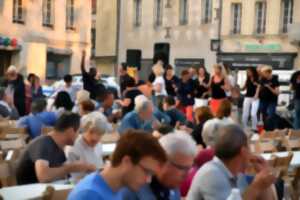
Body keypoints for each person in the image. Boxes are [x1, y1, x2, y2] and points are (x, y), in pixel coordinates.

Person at [68, 130, 167, 200]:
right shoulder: (90, 195)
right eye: (147, 172)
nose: (148, 180)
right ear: (127, 161)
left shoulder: (115, 189)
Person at [187, 124, 277, 200]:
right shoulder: (211, 174)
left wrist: (264, 180)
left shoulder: (237, 174)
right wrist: (257, 187)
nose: (251, 153)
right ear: (243, 151)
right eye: (249, 148)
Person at [16, 112, 95, 185]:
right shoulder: (44, 143)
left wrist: (83, 168)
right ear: (71, 131)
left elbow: (62, 175)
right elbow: (43, 176)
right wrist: (71, 168)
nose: (78, 136)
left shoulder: (59, 147)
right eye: (78, 132)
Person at [121, 132, 197, 200]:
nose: (186, 175)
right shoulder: (130, 190)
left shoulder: (172, 187)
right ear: (161, 161)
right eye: (182, 168)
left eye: (189, 169)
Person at [67, 112, 111, 182]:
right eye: (91, 132)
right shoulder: (73, 148)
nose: (95, 138)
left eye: (100, 134)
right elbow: (75, 177)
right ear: (84, 129)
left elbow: (99, 165)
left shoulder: (98, 144)